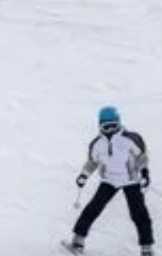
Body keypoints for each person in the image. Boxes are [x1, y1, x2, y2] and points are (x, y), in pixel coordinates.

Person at [66, 106, 154, 256]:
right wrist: (84, 175)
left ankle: (147, 249)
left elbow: (142, 157)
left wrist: (145, 173)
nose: (111, 129)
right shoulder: (97, 144)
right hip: (109, 181)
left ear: (119, 123)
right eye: (106, 126)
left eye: (114, 125)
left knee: (139, 214)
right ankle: (78, 241)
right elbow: (92, 162)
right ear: (100, 126)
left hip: (130, 181)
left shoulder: (131, 138)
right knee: (92, 209)